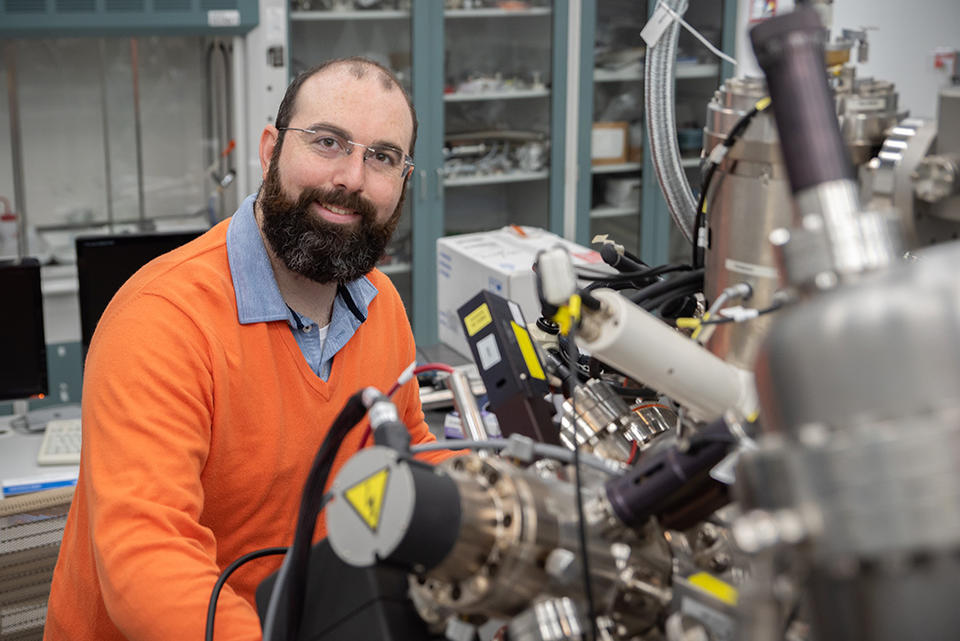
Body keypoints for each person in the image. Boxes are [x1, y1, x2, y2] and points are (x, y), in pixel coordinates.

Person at [44, 57, 451, 641]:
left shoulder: (380, 303)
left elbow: (407, 446)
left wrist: (506, 493)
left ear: (403, 180)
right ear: (270, 149)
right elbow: (149, 560)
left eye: (382, 157)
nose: (352, 178)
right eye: (328, 142)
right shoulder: (163, 320)